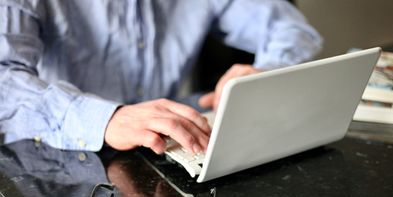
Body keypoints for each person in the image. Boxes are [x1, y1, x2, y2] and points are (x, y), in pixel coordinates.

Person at [0, 0, 323, 155]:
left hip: (164, 160)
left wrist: (261, 74)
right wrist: (107, 119)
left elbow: (291, 30)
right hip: (56, 170)